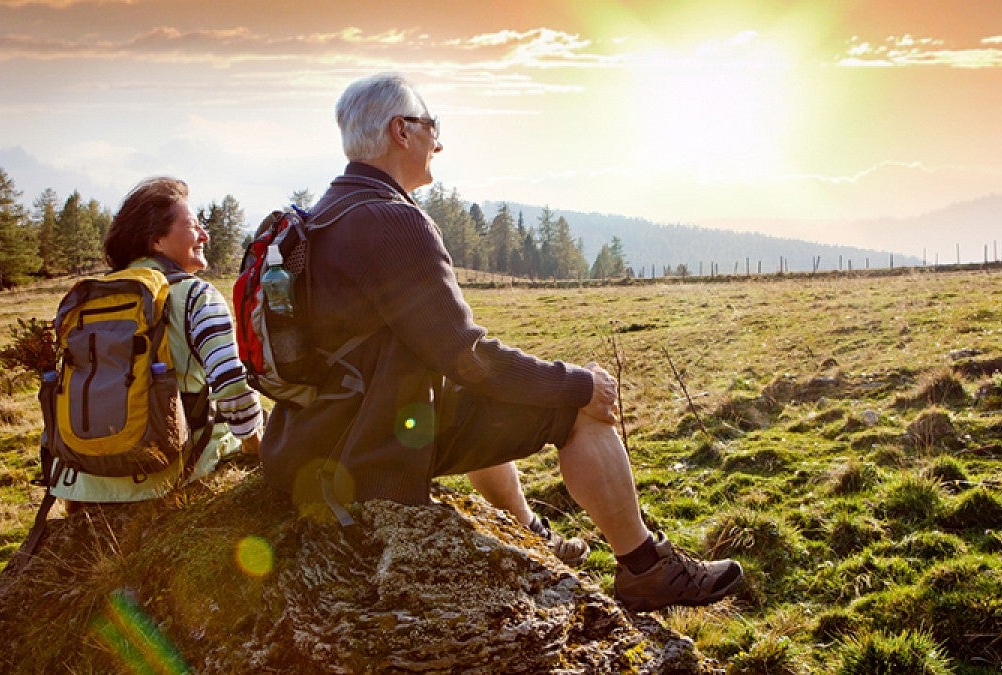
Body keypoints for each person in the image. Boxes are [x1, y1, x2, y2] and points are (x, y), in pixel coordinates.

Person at [259, 73, 742, 612]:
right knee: (578, 413)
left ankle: (532, 532)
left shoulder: (324, 214)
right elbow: (467, 358)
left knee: (479, 399)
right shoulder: (393, 221)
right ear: (401, 131)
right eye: (430, 125)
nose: (437, 141)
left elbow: (435, 355)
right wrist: (578, 384)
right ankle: (646, 569)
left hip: (307, 442)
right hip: (362, 455)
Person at [50, 177, 264, 504]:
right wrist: (258, 451)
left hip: (86, 481)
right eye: (192, 226)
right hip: (165, 474)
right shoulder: (197, 295)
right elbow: (231, 389)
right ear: (157, 242)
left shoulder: (92, 299)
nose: (204, 235)